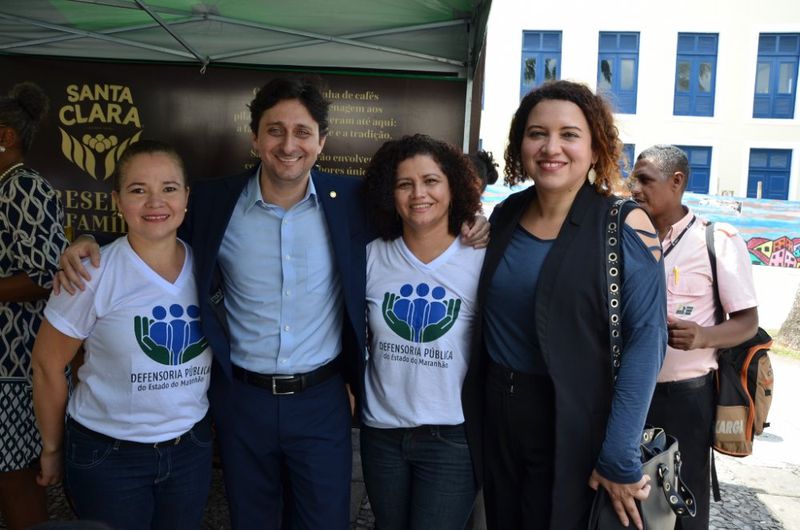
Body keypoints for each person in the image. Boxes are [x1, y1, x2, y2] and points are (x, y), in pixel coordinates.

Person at [54, 76, 489, 530]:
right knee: (252, 519)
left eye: (302, 132)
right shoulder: (214, 201)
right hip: (243, 399)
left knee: (324, 521)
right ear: (255, 138)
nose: (289, 144)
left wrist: (475, 221)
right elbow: (152, 223)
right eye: (275, 130)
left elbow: (421, 218)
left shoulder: (353, 202)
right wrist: (90, 240)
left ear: (322, 141)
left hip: (321, 400)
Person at [461, 80, 667, 530]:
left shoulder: (624, 223)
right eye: (537, 133)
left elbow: (647, 340)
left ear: (595, 149)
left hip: (575, 426)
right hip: (498, 416)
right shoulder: (507, 214)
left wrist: (618, 455)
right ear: (521, 144)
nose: (551, 146)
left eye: (569, 134)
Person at [31, 140, 214, 530]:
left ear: (186, 197)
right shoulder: (89, 274)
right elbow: (47, 365)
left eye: (168, 188)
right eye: (138, 190)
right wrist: (51, 448)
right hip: (108, 455)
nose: (155, 203)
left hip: (189, 449)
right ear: (117, 200)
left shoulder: (210, 266)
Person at [630, 144, 759, 530]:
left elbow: (747, 322)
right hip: (625, 396)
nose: (634, 188)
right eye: (633, 178)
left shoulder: (715, 241)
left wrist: (703, 336)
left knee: (679, 505)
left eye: (645, 180)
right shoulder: (625, 237)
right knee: (627, 503)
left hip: (683, 400)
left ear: (677, 182)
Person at [361, 134, 484, 530]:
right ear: (389, 193)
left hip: (452, 436)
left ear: (453, 187)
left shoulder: (482, 256)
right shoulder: (370, 255)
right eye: (404, 184)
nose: (419, 194)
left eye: (431, 181)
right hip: (382, 432)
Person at [0, 81, 69, 530]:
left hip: (14, 367)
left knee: (13, 480)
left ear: (5, 136)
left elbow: (49, 275)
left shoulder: (23, 186)